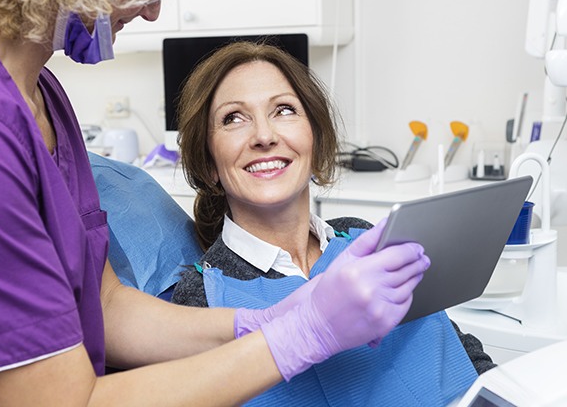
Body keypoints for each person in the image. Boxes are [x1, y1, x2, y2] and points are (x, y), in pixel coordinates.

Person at [0, 0, 432, 405]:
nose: (154, 11)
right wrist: (301, 335)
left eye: (284, 110)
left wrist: (267, 319)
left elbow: (105, 306)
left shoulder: (46, 95)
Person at [171, 41, 496, 405]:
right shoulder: (201, 299)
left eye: (283, 110)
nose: (264, 136)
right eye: (233, 118)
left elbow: (455, 347)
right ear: (209, 163)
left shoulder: (363, 235)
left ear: (315, 140)